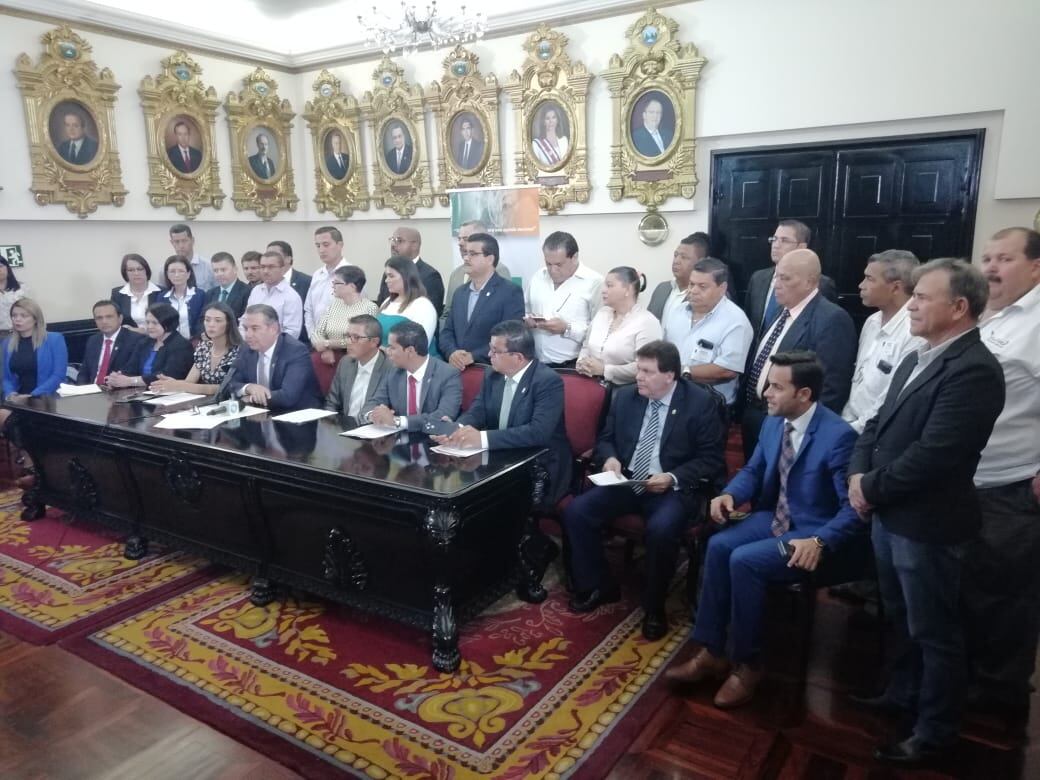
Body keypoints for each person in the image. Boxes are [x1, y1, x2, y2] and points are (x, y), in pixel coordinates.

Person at [847, 258, 1005, 767]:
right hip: (890, 516)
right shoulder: (918, 356)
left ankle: (934, 731)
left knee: (935, 632)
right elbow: (876, 424)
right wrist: (857, 474)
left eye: (921, 298)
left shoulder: (975, 370)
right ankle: (901, 694)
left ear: (958, 308)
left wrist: (869, 488)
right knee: (899, 618)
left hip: (928, 525)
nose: (910, 305)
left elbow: (935, 455)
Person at [664, 352, 867, 708]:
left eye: (776, 387)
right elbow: (754, 471)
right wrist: (730, 494)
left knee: (745, 561)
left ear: (803, 394)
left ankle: (749, 664)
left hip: (812, 531)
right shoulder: (774, 423)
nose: (766, 394)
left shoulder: (838, 437)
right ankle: (712, 651)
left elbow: (853, 509)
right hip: (775, 517)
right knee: (719, 546)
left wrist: (821, 540)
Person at [563, 341, 726, 639]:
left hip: (670, 487)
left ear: (670, 375)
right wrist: (610, 458)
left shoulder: (700, 404)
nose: (638, 376)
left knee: (662, 530)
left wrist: (673, 477)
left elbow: (711, 459)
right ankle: (599, 585)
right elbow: (606, 439)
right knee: (577, 511)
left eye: (647, 372)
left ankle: (654, 606)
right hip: (627, 480)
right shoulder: (626, 396)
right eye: (638, 369)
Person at [962, 227, 1040, 726]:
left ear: (1036, 267)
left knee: (1007, 593)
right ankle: (971, 676)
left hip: (1012, 481)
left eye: (1005, 259)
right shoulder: (987, 313)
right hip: (967, 479)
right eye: (987, 257)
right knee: (972, 584)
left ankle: (1001, 692)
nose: (990, 267)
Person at [437, 320, 572, 505]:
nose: (488, 355)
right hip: (499, 457)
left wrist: (482, 438)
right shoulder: (492, 374)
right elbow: (478, 411)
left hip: (538, 463)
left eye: (495, 351)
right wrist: (456, 429)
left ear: (518, 357)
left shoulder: (547, 381)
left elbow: (538, 433)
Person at [740, 249, 856, 459]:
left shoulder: (831, 319)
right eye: (777, 277)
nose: (777, 285)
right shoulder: (782, 311)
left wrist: (803, 431)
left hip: (790, 425)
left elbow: (830, 388)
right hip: (756, 414)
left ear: (809, 282)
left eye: (785, 279)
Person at [842, 250, 922, 433]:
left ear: (895, 287)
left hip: (876, 432)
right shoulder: (871, 322)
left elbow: (892, 397)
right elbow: (858, 379)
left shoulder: (914, 331)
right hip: (850, 422)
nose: (861, 285)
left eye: (869, 279)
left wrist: (852, 430)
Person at [441, 232, 525, 370]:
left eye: (473, 254)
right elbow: (447, 331)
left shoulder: (510, 292)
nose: (466, 258)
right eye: (465, 253)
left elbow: (511, 337)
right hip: (457, 370)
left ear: (490, 259)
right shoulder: (460, 293)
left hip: (492, 371)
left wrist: (473, 356)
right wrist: (452, 353)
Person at [677, 257, 754, 407]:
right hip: (671, 397)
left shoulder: (736, 321)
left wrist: (682, 372)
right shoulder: (677, 311)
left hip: (709, 405)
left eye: (702, 286)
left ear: (722, 288)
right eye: (691, 284)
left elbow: (726, 371)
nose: (693, 291)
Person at [361, 320, 461, 432]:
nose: (387, 351)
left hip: (431, 439)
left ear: (410, 351)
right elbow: (373, 403)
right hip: (398, 439)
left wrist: (398, 421)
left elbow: (443, 417)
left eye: (392, 347)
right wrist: (374, 415)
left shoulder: (448, 374)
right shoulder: (393, 373)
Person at [524, 231, 603, 368]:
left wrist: (567, 328)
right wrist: (528, 321)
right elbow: (526, 311)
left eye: (559, 264)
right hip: (536, 364)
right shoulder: (538, 277)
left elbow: (601, 332)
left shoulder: (595, 282)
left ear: (574, 257)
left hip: (573, 366)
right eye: (548, 263)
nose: (553, 270)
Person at [744, 220, 837, 337]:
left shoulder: (820, 284)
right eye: (774, 239)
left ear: (801, 247)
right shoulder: (758, 278)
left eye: (784, 240)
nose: (776, 245)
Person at [228, 304, 321, 412]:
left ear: (273, 329)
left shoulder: (295, 351)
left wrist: (250, 398)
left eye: (254, 328)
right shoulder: (246, 349)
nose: (248, 335)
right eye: (245, 328)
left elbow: (288, 396)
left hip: (297, 415)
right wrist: (249, 387)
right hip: (259, 415)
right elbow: (231, 383)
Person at [577, 266, 662, 384]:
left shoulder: (647, 322)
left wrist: (605, 370)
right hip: (589, 382)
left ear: (627, 290)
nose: (603, 290)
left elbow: (646, 365)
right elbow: (586, 346)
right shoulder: (602, 313)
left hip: (623, 389)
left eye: (609, 285)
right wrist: (582, 362)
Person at [149, 302, 242, 395]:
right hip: (205, 400)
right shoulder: (204, 347)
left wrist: (181, 385)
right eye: (207, 320)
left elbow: (227, 387)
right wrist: (173, 383)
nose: (211, 324)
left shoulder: (239, 350)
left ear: (229, 324)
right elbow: (190, 382)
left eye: (218, 321)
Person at [1, 299, 68, 410]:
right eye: (14, 315)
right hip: (17, 400)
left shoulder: (54, 339)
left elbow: (58, 375)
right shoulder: (7, 343)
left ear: (35, 319)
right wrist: (10, 394)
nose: (17, 319)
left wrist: (31, 396)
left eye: (23, 316)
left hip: (46, 399)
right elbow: (6, 377)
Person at [106, 303, 194, 388]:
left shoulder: (181, 346)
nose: (149, 326)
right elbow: (130, 369)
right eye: (147, 322)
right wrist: (117, 378)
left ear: (168, 323)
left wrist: (131, 381)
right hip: (142, 392)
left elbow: (165, 376)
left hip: (169, 393)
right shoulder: (144, 342)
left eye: (155, 323)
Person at [325, 315, 392, 423]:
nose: (349, 341)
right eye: (348, 336)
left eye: (356, 337)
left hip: (373, 429)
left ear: (374, 342)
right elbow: (332, 403)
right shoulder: (345, 363)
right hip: (344, 427)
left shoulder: (390, 368)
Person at [442, 221, 512, 324]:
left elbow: (503, 316)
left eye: (466, 239)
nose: (460, 243)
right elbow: (447, 313)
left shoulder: (499, 271)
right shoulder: (456, 274)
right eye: (459, 239)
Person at [647, 233, 710, 342]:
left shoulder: (708, 295)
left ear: (701, 262)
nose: (676, 261)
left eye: (684, 257)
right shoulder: (662, 289)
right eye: (676, 255)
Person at [311, 266, 378, 364]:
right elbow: (318, 332)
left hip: (353, 358)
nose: (333, 286)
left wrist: (328, 343)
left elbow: (360, 339)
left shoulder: (369, 307)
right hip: (327, 354)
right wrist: (325, 349)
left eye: (337, 283)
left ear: (352, 286)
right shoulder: (334, 304)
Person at [377, 227, 445, 318]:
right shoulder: (389, 273)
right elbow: (381, 304)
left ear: (415, 245)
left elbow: (431, 314)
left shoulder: (430, 276)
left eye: (399, 240)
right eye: (392, 240)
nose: (393, 245)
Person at [378, 256, 439, 354]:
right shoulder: (387, 302)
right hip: (384, 359)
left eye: (391, 276)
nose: (386, 280)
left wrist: (382, 351)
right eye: (386, 276)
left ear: (406, 276)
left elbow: (419, 348)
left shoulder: (423, 306)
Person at [76, 300, 145, 385]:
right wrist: (82, 389)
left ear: (120, 318)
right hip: (92, 390)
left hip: (119, 389)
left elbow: (131, 372)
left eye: (109, 317)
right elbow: (83, 373)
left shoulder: (135, 340)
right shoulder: (93, 340)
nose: (104, 321)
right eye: (99, 318)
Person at [304, 226, 350, 341]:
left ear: (340, 245)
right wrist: (314, 337)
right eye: (318, 246)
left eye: (326, 244)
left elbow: (357, 313)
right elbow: (308, 310)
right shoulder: (317, 275)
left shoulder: (351, 274)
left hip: (342, 343)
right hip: (316, 342)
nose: (321, 250)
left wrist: (331, 343)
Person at [246, 250, 303, 339]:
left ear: (282, 269)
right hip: (250, 343)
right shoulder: (256, 291)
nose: (265, 271)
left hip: (277, 346)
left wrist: (266, 343)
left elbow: (292, 332)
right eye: (262, 267)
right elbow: (245, 319)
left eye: (271, 267)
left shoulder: (291, 296)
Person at [111, 253, 162, 333]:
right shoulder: (117, 294)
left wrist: (139, 331)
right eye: (131, 270)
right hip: (128, 338)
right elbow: (114, 321)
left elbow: (166, 323)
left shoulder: (161, 292)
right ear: (125, 273)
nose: (136, 273)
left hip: (157, 338)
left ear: (146, 270)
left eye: (140, 269)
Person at [159, 255, 204, 340]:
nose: (177, 275)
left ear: (188, 274)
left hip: (193, 343)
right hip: (168, 343)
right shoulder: (161, 297)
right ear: (167, 274)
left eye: (181, 271)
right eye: (172, 271)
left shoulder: (200, 295)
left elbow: (202, 322)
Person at [169, 223, 214, 293]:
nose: (181, 245)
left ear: (192, 240)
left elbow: (218, 293)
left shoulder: (209, 267)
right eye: (177, 242)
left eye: (184, 241)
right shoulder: (166, 269)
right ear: (172, 243)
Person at [204, 252, 250, 320]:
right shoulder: (210, 293)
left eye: (223, 270)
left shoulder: (247, 292)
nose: (219, 274)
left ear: (235, 269)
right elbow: (203, 318)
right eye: (215, 271)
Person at [266, 240, 311, 305]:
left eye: (275, 255)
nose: (270, 259)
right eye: (268, 255)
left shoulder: (306, 282)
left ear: (288, 259)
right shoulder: (263, 282)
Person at [0, 257, 27, 337]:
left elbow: (31, 311)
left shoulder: (22, 288)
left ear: (7, 268)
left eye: (0, 266)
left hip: (21, 332)